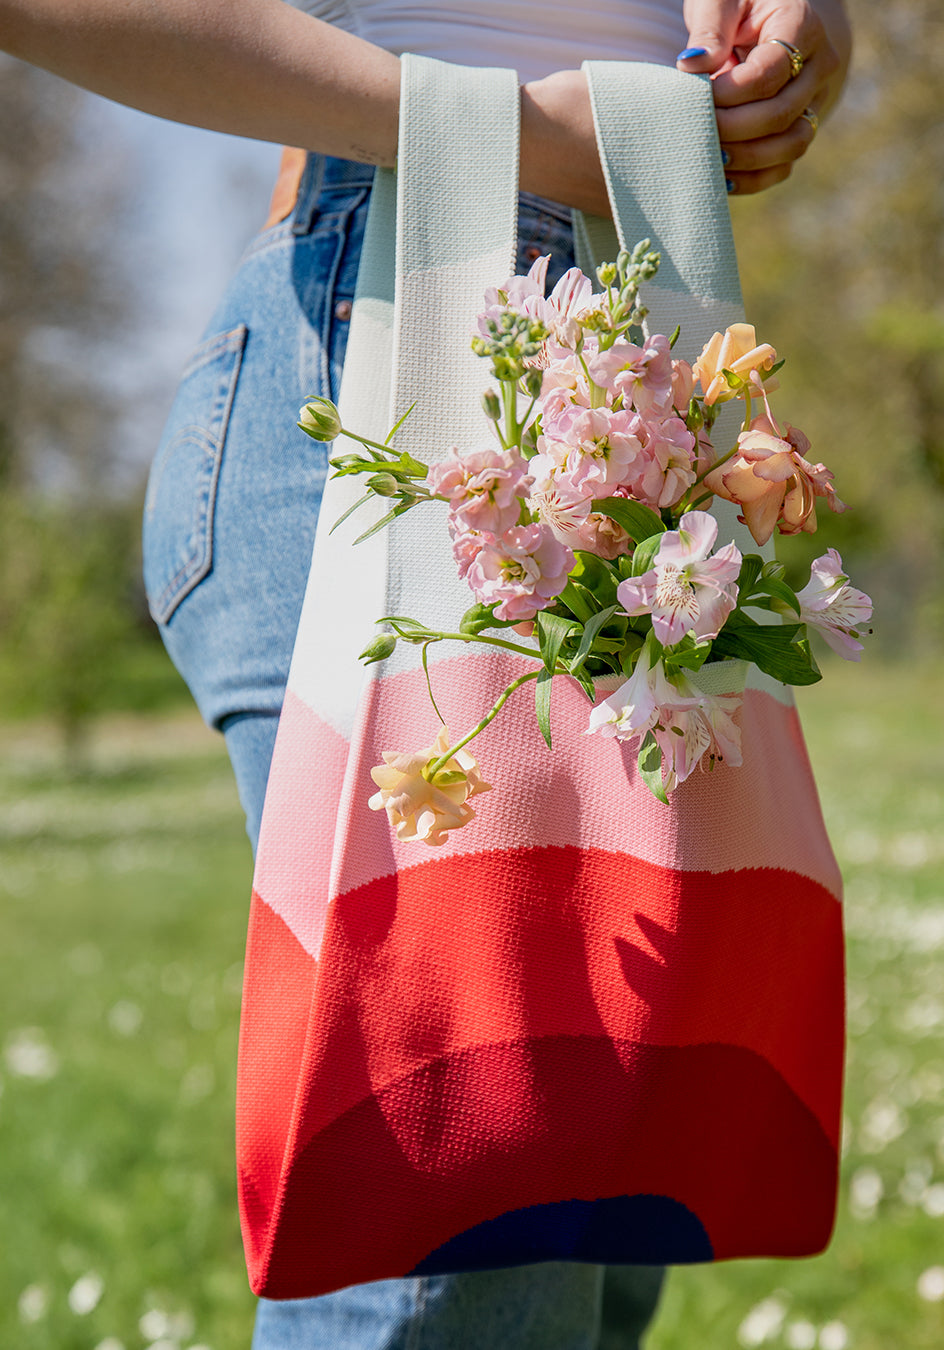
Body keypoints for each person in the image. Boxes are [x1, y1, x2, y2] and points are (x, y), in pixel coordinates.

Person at [1, 2, 852, 1346]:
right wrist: (519, 135)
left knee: (597, 1197)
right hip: (385, 327)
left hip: (643, 304)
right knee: (466, 1209)